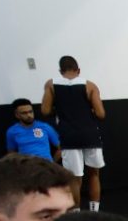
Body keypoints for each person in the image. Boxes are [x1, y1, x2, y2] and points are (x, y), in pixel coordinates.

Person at [43, 55, 106, 211]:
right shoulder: (90, 85)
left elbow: (45, 111)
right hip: (90, 134)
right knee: (94, 174)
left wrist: (60, 110)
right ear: (78, 70)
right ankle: (94, 212)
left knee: (75, 179)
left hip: (69, 135)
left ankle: (77, 214)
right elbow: (101, 114)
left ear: (60, 71)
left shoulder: (51, 84)